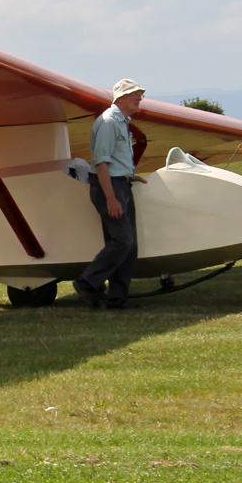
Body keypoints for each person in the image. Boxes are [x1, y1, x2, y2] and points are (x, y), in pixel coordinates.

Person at [72, 79, 149, 310]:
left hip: (121, 184)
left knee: (129, 245)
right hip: (111, 188)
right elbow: (101, 162)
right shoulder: (108, 121)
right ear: (121, 98)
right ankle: (86, 282)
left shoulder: (121, 121)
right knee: (122, 241)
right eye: (134, 94)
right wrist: (111, 197)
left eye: (140, 94)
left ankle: (117, 299)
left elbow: (113, 161)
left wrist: (127, 175)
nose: (139, 98)